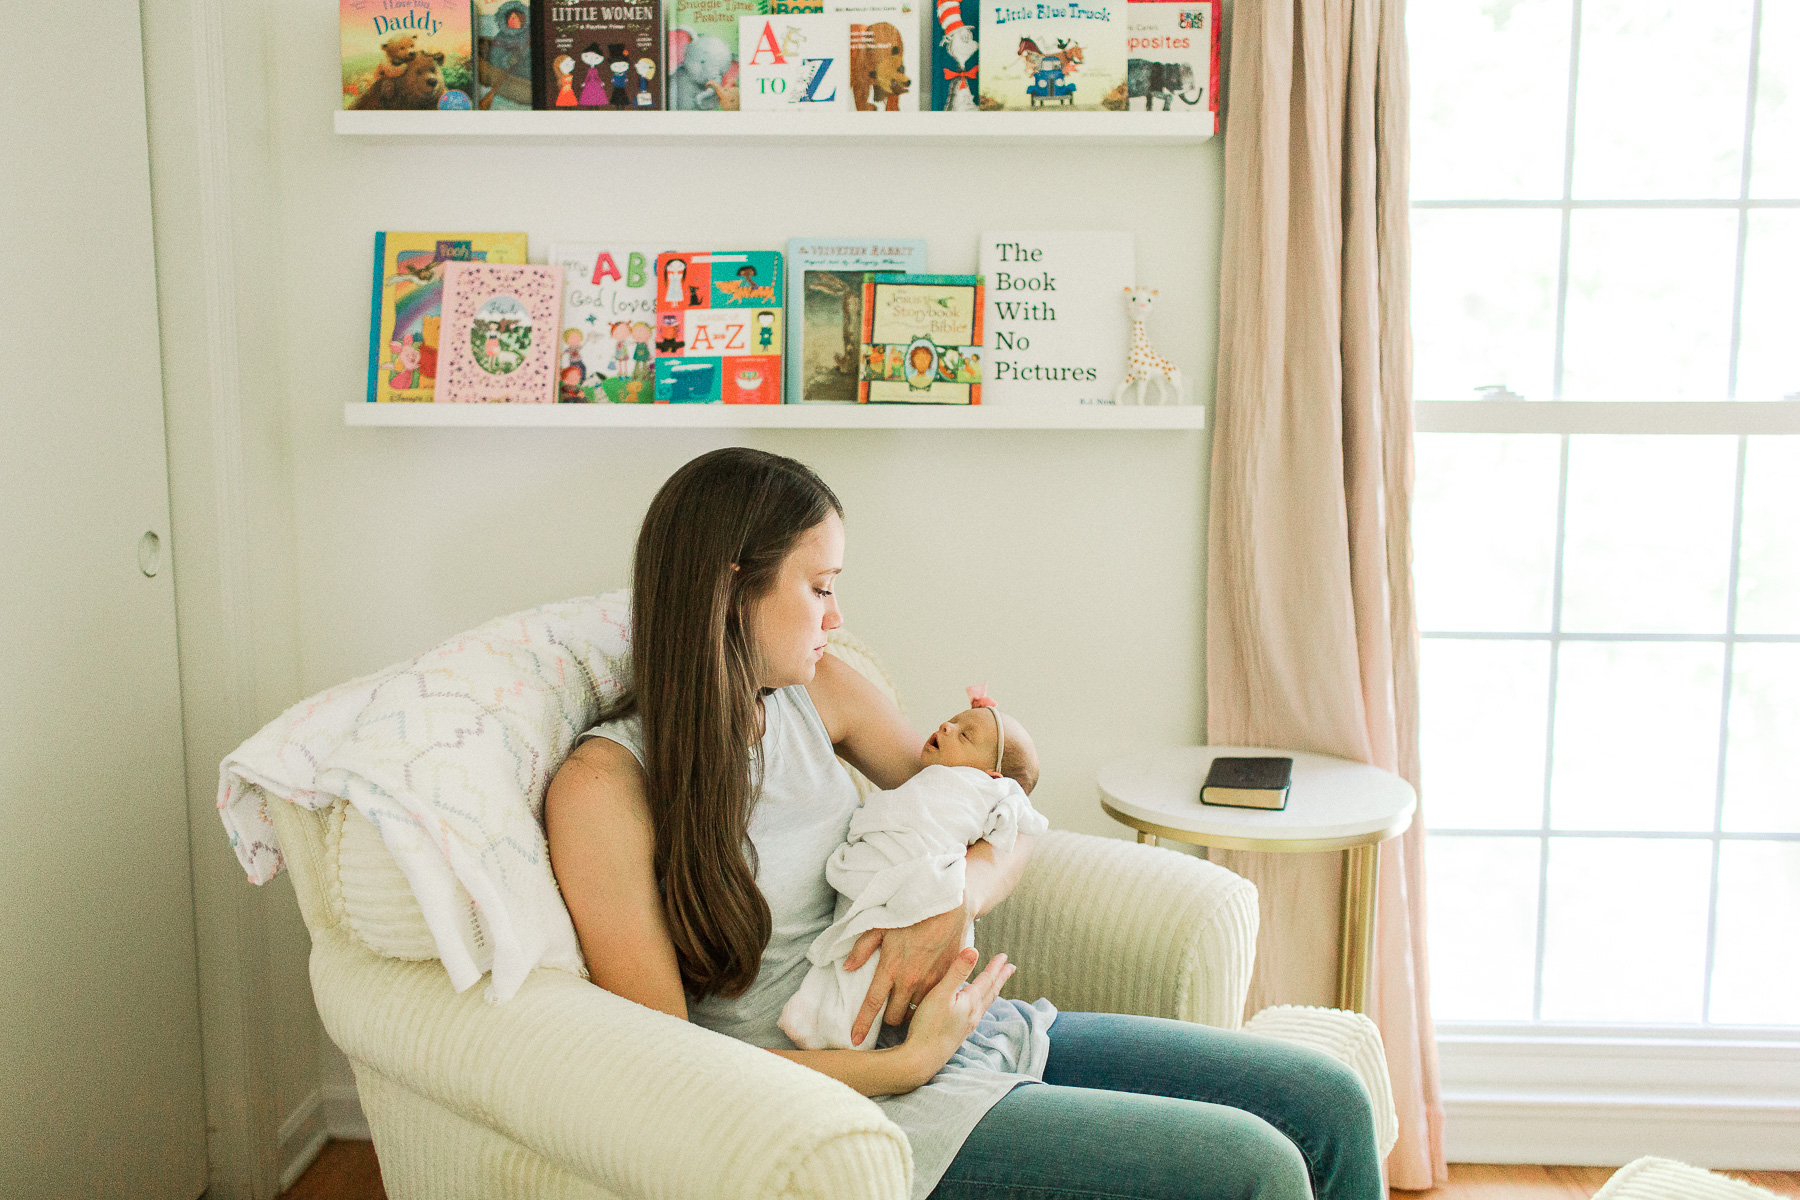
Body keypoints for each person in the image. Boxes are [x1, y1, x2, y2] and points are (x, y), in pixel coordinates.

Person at [544, 448, 1381, 1200]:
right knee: (1255, 1167)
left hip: (969, 1032)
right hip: (851, 1108)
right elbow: (665, 1075)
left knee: (1326, 1100)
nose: (836, 619)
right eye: (821, 588)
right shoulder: (605, 788)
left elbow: (995, 809)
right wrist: (902, 1062)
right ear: (731, 587)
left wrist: (957, 898)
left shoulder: (820, 691)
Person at [779, 689, 1049, 1051]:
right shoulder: (939, 775)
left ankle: (831, 1025)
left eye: (964, 733)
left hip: (926, 893)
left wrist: (958, 896)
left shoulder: (976, 788)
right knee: (857, 964)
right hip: (899, 1058)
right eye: (951, 721)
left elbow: (1025, 829)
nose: (946, 726)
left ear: (991, 775)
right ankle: (831, 1027)